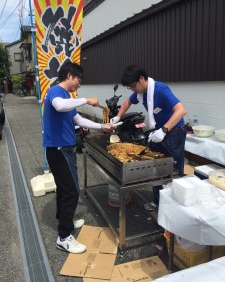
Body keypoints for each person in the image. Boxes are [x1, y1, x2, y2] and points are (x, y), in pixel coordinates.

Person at [43, 61, 112, 254]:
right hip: (59, 149)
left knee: (65, 189)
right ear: (69, 76)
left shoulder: (67, 96)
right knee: (72, 191)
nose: (79, 84)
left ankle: (64, 220)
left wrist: (102, 126)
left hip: (63, 149)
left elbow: (78, 119)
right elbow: (58, 106)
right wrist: (85, 100)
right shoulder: (57, 92)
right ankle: (64, 237)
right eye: (78, 80)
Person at [111, 64, 187, 206]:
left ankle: (175, 209)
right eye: (130, 88)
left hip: (174, 134)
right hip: (159, 132)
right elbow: (127, 102)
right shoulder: (140, 92)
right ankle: (158, 202)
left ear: (141, 79)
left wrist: (164, 130)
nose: (132, 90)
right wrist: (118, 117)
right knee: (156, 168)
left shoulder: (160, 89)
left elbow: (181, 110)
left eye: (133, 86)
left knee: (173, 170)